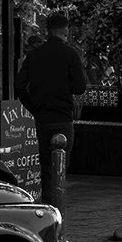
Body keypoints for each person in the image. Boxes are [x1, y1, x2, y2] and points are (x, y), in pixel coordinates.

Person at [15, 12, 88, 211]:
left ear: (47, 31)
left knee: (47, 168)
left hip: (43, 119)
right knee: (61, 167)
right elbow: (80, 87)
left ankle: (49, 209)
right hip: (63, 117)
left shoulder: (34, 54)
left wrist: (34, 107)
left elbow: (19, 86)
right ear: (65, 30)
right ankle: (59, 210)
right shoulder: (70, 54)